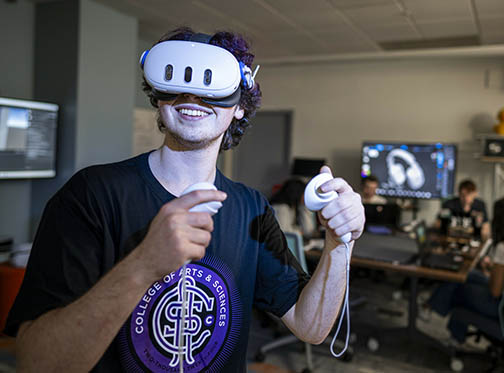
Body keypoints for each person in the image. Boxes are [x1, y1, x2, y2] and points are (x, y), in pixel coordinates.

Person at [4, 27, 365, 372]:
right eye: (177, 84)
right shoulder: (91, 195)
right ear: (157, 94)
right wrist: (143, 265)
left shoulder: (252, 209)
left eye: (212, 86)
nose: (192, 97)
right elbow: (38, 363)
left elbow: (312, 326)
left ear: (239, 105)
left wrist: (339, 242)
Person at [426, 197, 504, 345]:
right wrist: (494, 269)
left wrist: (492, 271)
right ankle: (433, 307)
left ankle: (451, 334)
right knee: (467, 274)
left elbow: (495, 291)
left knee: (460, 288)